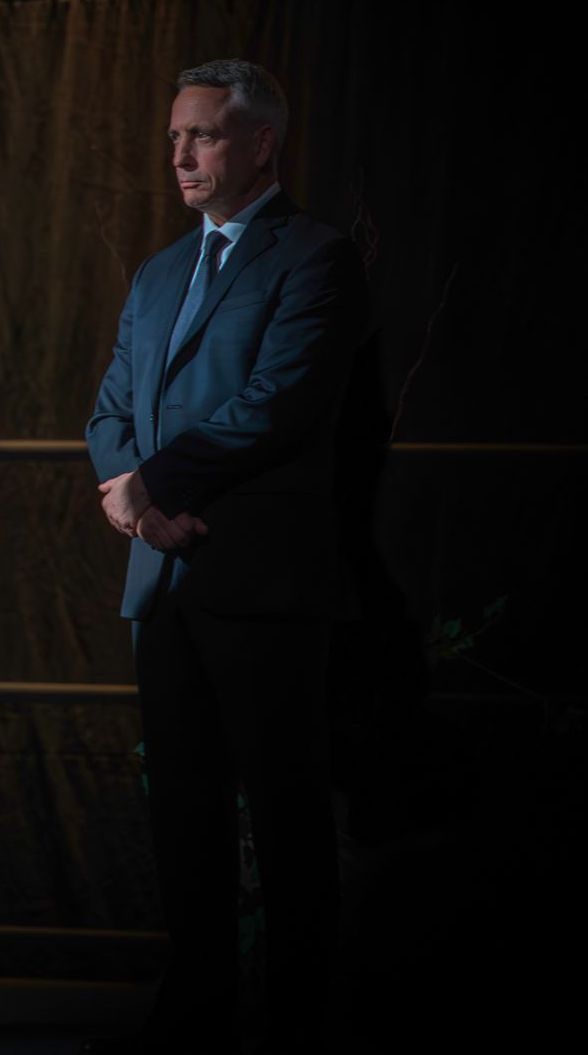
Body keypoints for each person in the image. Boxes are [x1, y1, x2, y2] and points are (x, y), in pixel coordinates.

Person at [84, 60, 365, 1053]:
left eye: (201, 135)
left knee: (288, 826)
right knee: (184, 822)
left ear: (259, 143)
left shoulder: (315, 257)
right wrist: (142, 501)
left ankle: (296, 1023)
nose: (180, 155)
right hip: (164, 587)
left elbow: (278, 406)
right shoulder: (158, 272)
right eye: (174, 137)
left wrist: (154, 486)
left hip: (261, 589)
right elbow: (110, 409)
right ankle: (194, 1010)